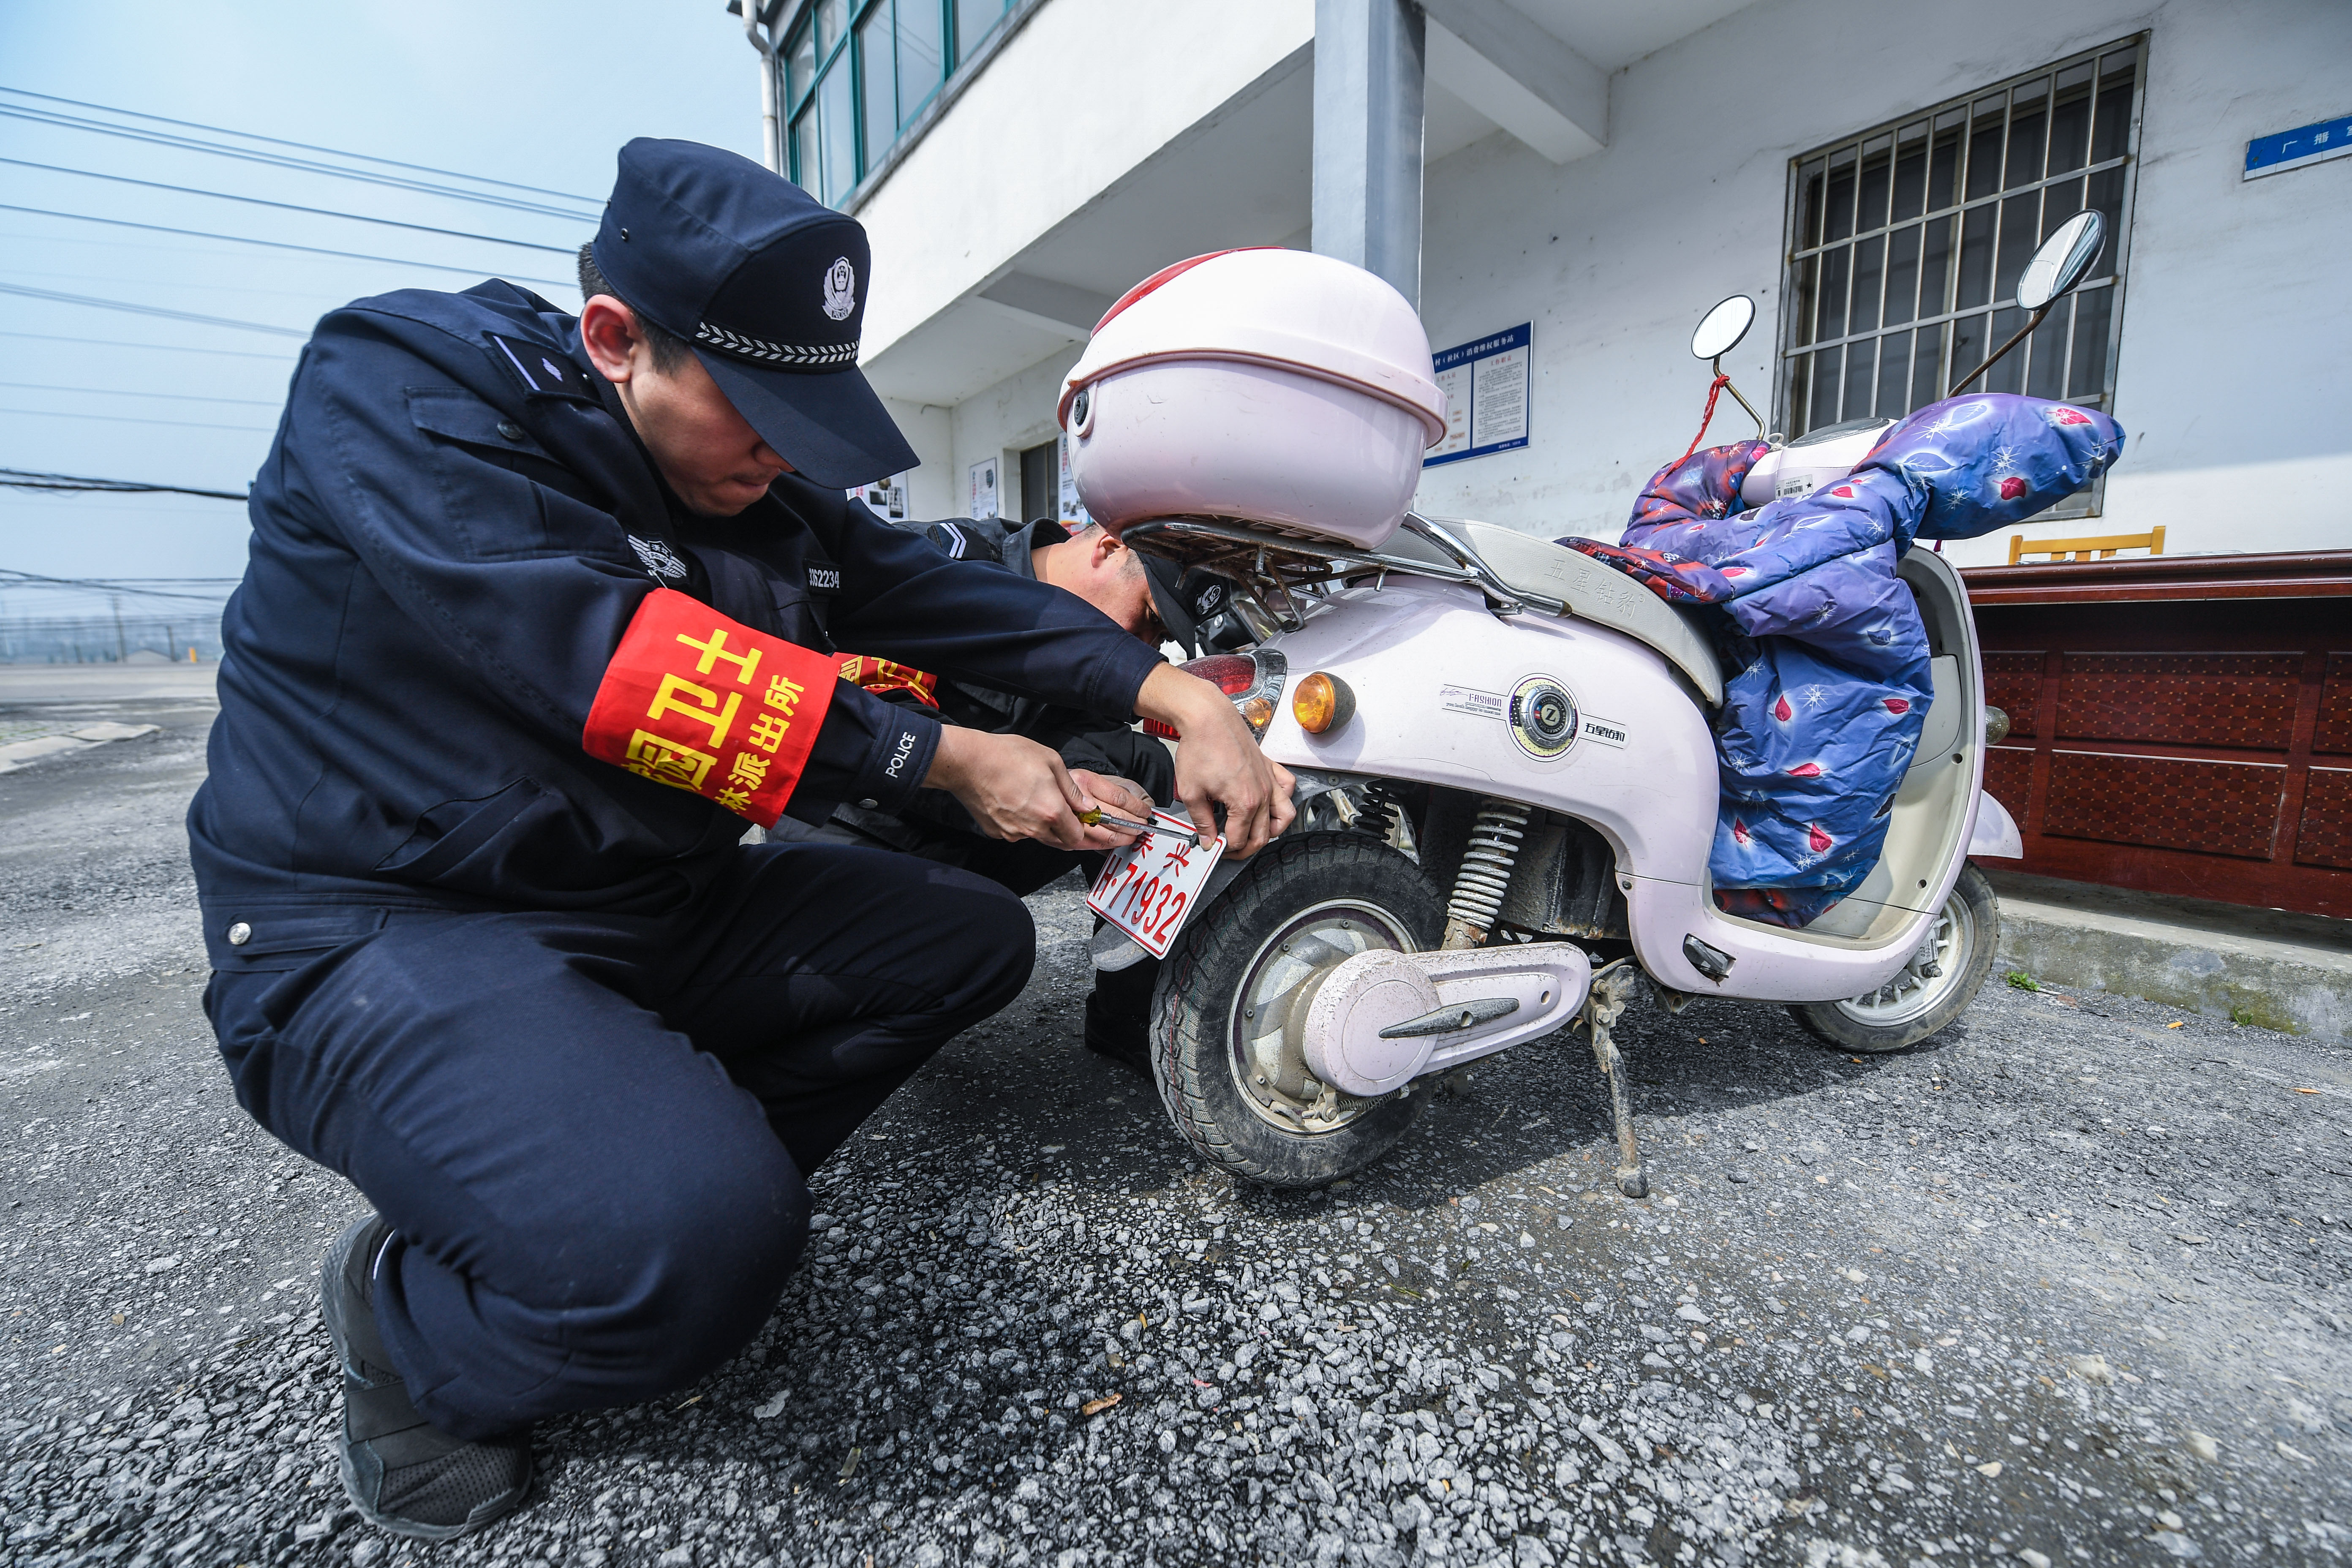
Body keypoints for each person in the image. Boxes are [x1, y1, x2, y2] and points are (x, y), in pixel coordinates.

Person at [186, 137, 1294, 1540]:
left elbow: (954, 601)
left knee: (958, 943)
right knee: (693, 1247)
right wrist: (946, 758)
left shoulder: (746, 486)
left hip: (643, 906)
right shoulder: (409, 392)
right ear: (612, 339)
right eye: (756, 407)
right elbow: (610, 664)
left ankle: (624, 1176)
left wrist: (1176, 690)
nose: (785, 452)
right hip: (379, 928)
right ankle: (420, 1330)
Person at [807, 513, 1244, 1069]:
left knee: (1148, 773)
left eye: (1161, 637)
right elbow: (872, 730)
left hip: (978, 825)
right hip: (865, 825)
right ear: (1107, 548)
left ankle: (1136, 1019)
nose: (1147, 644)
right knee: (968, 949)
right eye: (1150, 618)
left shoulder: (1103, 640)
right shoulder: (941, 564)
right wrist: (1012, 778)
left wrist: (1095, 797)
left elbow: (1086, 748)